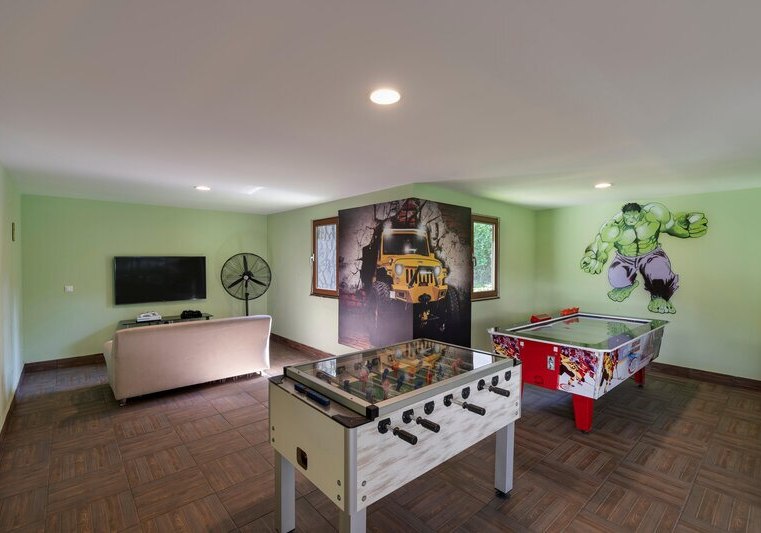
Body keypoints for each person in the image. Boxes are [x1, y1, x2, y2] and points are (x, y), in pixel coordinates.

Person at [580, 202, 707, 313]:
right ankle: (626, 286)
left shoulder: (655, 214)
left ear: (640, 213)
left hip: (651, 253)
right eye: (628, 216)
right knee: (616, 277)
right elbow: (599, 246)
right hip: (625, 258)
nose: (631, 219)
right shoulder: (614, 227)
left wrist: (688, 229)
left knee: (660, 271)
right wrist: (592, 257)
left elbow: (672, 226)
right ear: (623, 215)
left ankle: (658, 296)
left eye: (635, 216)